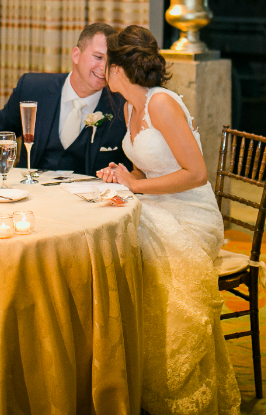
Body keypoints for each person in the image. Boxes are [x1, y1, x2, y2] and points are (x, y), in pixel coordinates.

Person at [97, 24, 240, 415]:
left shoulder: (161, 104)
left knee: (129, 245)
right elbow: (148, 168)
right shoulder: (129, 106)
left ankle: (172, 378)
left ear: (118, 69)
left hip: (192, 214)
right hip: (160, 204)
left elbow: (196, 173)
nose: (103, 71)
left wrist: (136, 187)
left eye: (106, 63)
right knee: (116, 238)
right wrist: (125, 176)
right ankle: (132, 365)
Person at [0, 23, 131, 175]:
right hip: (32, 193)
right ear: (76, 55)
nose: (104, 67)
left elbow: (131, 168)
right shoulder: (32, 88)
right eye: (98, 57)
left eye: (111, 62)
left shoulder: (122, 106)